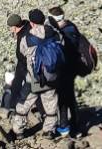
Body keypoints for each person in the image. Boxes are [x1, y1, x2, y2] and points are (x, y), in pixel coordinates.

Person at [19, 8, 68, 139]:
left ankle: (18, 131)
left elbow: (22, 52)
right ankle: (49, 131)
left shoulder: (26, 38)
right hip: (52, 76)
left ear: (31, 22)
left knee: (24, 104)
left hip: (34, 78)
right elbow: (62, 45)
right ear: (43, 20)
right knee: (51, 104)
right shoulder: (55, 33)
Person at [48, 5, 85, 136]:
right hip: (72, 68)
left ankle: (66, 126)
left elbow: (63, 50)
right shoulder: (71, 26)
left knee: (63, 98)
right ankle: (75, 124)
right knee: (69, 97)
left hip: (65, 69)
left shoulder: (65, 32)